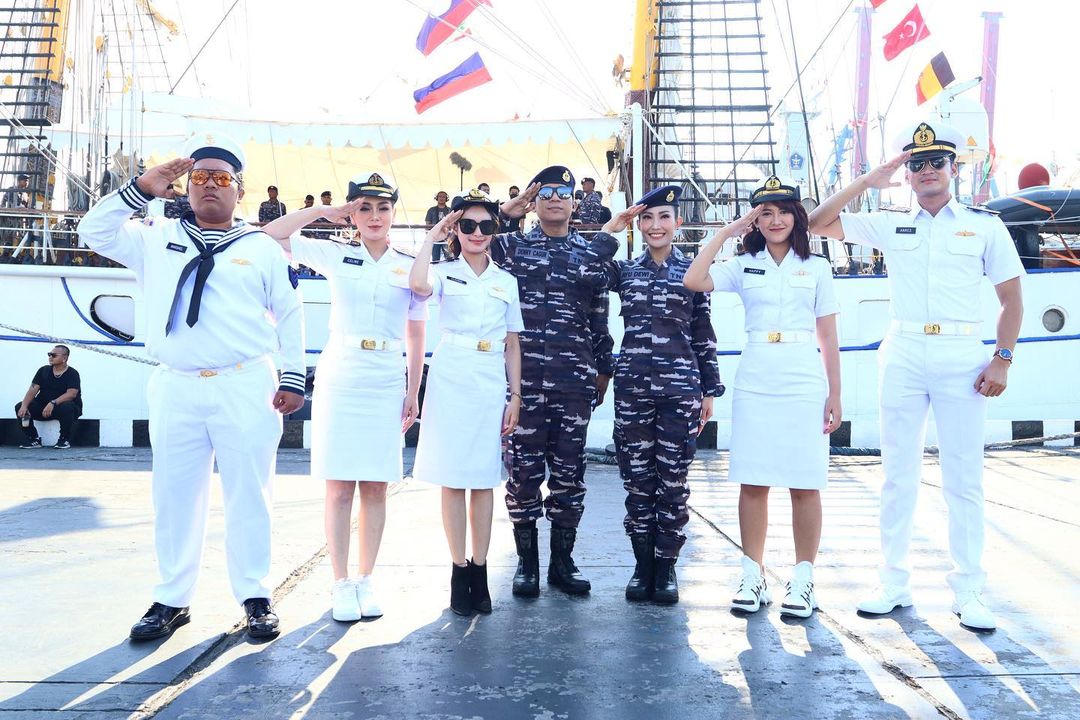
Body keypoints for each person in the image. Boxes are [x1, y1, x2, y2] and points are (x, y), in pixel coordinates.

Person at [76, 136, 306, 641]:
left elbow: (289, 312)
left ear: (240, 190)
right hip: (176, 384)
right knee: (175, 494)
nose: (209, 186)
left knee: (250, 492)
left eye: (221, 178)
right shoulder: (155, 237)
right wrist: (140, 189)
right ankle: (172, 598)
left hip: (244, 382)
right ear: (187, 185)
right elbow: (92, 230)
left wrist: (293, 377)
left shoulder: (260, 248)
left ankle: (255, 595)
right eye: (199, 177)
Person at [808, 122, 1025, 631]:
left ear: (953, 168)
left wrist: (1003, 358)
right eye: (917, 164)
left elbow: (1012, 299)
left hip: (961, 353)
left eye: (936, 162)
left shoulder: (984, 226)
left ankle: (969, 589)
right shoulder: (890, 224)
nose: (927, 170)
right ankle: (893, 582)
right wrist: (869, 180)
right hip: (903, 350)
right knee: (897, 473)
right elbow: (817, 222)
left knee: (963, 476)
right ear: (906, 174)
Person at [262, 172, 427, 623]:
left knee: (376, 485)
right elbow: (271, 235)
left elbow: (416, 331)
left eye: (383, 208)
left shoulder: (409, 263)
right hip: (342, 372)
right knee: (338, 487)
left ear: (393, 213)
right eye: (364, 208)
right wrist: (323, 212)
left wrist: (413, 390)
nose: (374, 217)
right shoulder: (335, 254)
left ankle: (365, 579)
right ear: (352, 214)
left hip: (386, 376)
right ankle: (339, 583)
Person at [684, 175, 842, 619]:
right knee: (753, 481)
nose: (775, 221)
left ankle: (803, 580)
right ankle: (752, 574)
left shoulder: (817, 268)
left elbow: (828, 335)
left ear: (797, 217)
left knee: (805, 482)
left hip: (803, 375)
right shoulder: (743, 263)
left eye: (783, 212)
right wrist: (725, 233)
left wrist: (835, 392)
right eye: (765, 213)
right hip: (756, 374)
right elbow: (694, 279)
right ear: (755, 221)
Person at [492, 165, 616, 598]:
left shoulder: (589, 254)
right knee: (522, 475)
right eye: (544, 193)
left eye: (562, 192)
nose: (554, 200)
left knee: (569, 476)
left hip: (573, 381)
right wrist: (506, 212)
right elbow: (471, 238)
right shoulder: (512, 247)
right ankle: (527, 564)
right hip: (523, 383)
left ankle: (563, 563)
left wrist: (603, 370)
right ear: (534, 202)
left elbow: (599, 317)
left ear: (574, 201)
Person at [598, 186, 723, 604]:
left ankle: (666, 566)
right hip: (633, 389)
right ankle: (642, 567)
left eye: (664, 217)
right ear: (638, 224)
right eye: (647, 219)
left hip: (680, 390)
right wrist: (612, 228)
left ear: (677, 223)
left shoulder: (694, 272)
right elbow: (588, 267)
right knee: (637, 480)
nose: (656, 226)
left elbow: (703, 332)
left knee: (673, 481)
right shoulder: (625, 272)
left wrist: (709, 390)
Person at [409, 189, 524, 615]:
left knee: (484, 477)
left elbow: (513, 342)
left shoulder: (505, 281)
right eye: (468, 225)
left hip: (490, 376)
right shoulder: (443, 271)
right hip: (452, 374)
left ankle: (480, 567)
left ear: (495, 230)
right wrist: (432, 237)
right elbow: (418, 285)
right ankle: (459, 571)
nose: (478, 233)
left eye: (486, 225)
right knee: (454, 478)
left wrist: (515, 394)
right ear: (456, 229)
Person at [15, 344, 83, 449]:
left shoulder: (72, 373)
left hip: (62, 409)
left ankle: (64, 440)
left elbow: (71, 394)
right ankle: (34, 439)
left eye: (54, 355)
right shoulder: (43, 370)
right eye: (49, 354)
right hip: (43, 408)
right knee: (20, 406)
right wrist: (24, 405)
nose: (50, 357)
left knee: (67, 406)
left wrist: (53, 403)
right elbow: (32, 390)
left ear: (64, 358)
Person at [425, 191, 452, 261]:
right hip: (435, 236)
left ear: (446, 198)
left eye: (443, 197)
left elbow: (453, 223)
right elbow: (427, 223)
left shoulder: (450, 210)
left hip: (447, 236)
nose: (441, 198)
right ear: (437, 198)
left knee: (450, 258)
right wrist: (428, 235)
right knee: (435, 258)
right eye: (440, 196)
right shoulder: (431, 210)